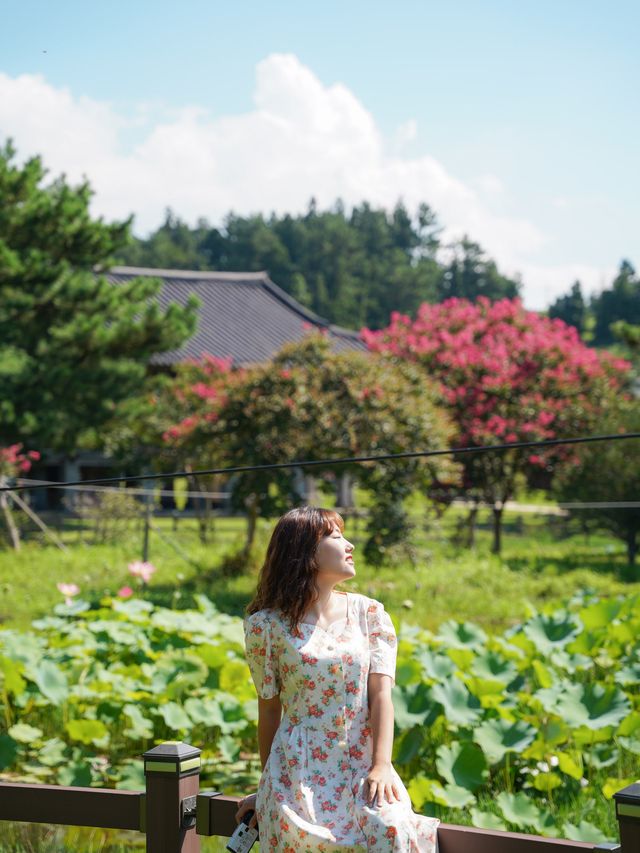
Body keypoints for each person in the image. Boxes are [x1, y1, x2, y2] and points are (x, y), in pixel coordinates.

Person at [235, 505, 440, 851]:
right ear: (304, 552)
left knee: (391, 830)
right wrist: (268, 783)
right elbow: (269, 712)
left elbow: (380, 697)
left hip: (364, 765)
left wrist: (382, 764)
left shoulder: (370, 614)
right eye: (334, 535)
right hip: (295, 772)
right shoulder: (265, 627)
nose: (349, 545)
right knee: (299, 839)